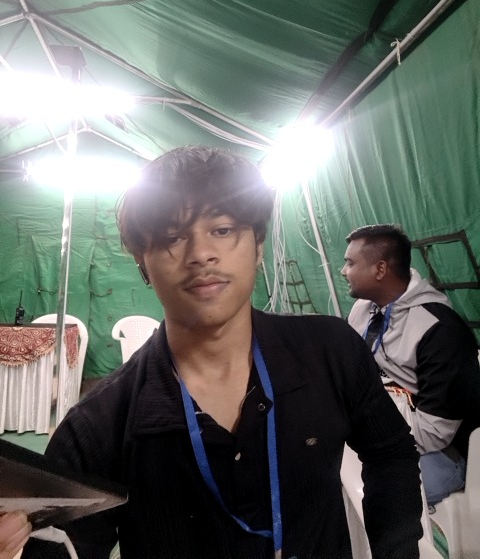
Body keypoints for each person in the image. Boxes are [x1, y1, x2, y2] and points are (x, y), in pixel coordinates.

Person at [18, 147, 422, 559]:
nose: (201, 254)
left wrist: (397, 549)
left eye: (223, 229)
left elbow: (389, 452)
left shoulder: (330, 351)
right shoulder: (100, 424)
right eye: (172, 237)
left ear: (258, 244)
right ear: (142, 261)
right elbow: (61, 546)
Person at [341, 223, 480, 506]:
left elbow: (435, 432)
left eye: (350, 263)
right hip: (384, 427)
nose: (344, 271)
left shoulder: (440, 331)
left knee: (379, 495)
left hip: (444, 452)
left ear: (380, 270)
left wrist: (365, 428)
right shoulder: (362, 310)